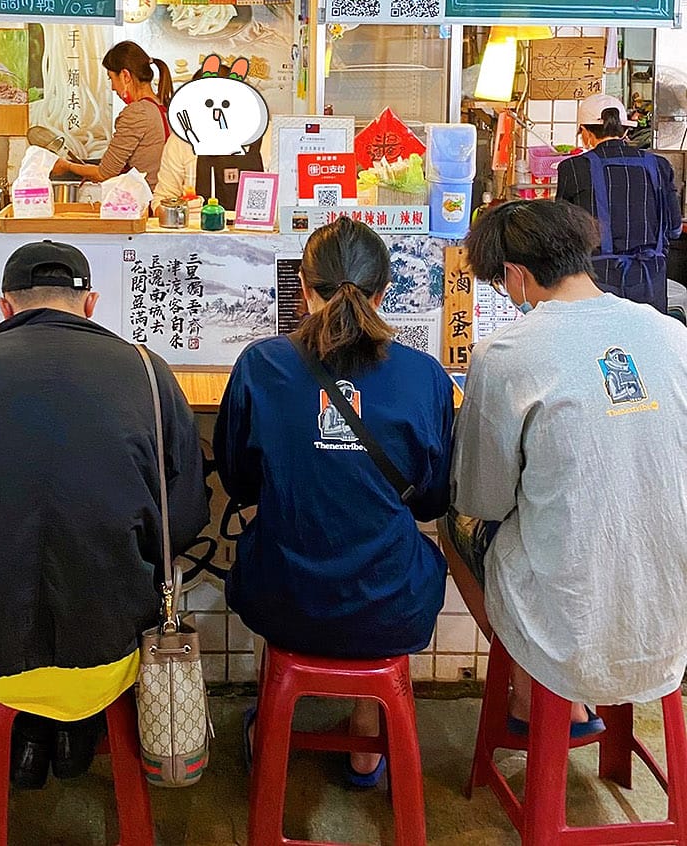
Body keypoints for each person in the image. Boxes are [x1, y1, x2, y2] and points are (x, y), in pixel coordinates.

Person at [0, 240, 208, 789]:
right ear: (90, 305)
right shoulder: (148, 374)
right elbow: (183, 519)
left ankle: (32, 736)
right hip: (112, 650)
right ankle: (74, 730)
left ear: (5, 307)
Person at [214, 217, 453, 786]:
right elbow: (431, 502)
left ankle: (274, 721)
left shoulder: (261, 365)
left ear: (303, 284)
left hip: (282, 597)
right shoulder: (426, 376)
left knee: (269, 551)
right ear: (382, 290)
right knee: (395, 557)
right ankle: (367, 744)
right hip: (393, 603)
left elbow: (240, 481)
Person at [444, 200, 687, 734]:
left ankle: (537, 693)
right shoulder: (672, 334)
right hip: (671, 616)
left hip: (570, 622)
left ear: (515, 274)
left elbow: (483, 500)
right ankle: (567, 696)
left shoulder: (505, 353)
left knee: (452, 525)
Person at [555, 92, 681, 313]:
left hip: (594, 283)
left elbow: (563, 234)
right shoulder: (659, 165)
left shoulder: (573, 168)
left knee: (600, 345)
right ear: (625, 130)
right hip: (649, 281)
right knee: (645, 342)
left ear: (585, 132)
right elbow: (674, 229)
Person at [53, 41, 172, 190]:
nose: (113, 87)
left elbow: (105, 174)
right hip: (161, 199)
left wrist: (67, 166)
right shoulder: (163, 106)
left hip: (143, 203)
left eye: (111, 78)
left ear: (125, 75)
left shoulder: (137, 113)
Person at [154, 63, 265, 218]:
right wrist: (179, 210)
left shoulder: (267, 137)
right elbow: (161, 201)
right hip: (196, 239)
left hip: (260, 238)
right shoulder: (181, 142)